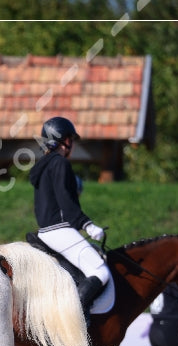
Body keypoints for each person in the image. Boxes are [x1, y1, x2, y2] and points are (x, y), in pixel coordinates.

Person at [30, 116, 109, 315]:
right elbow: (67, 202)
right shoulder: (60, 164)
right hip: (60, 230)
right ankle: (77, 319)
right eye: (70, 139)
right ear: (61, 140)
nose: (72, 144)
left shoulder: (44, 166)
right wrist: (88, 225)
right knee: (100, 271)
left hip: (46, 231)